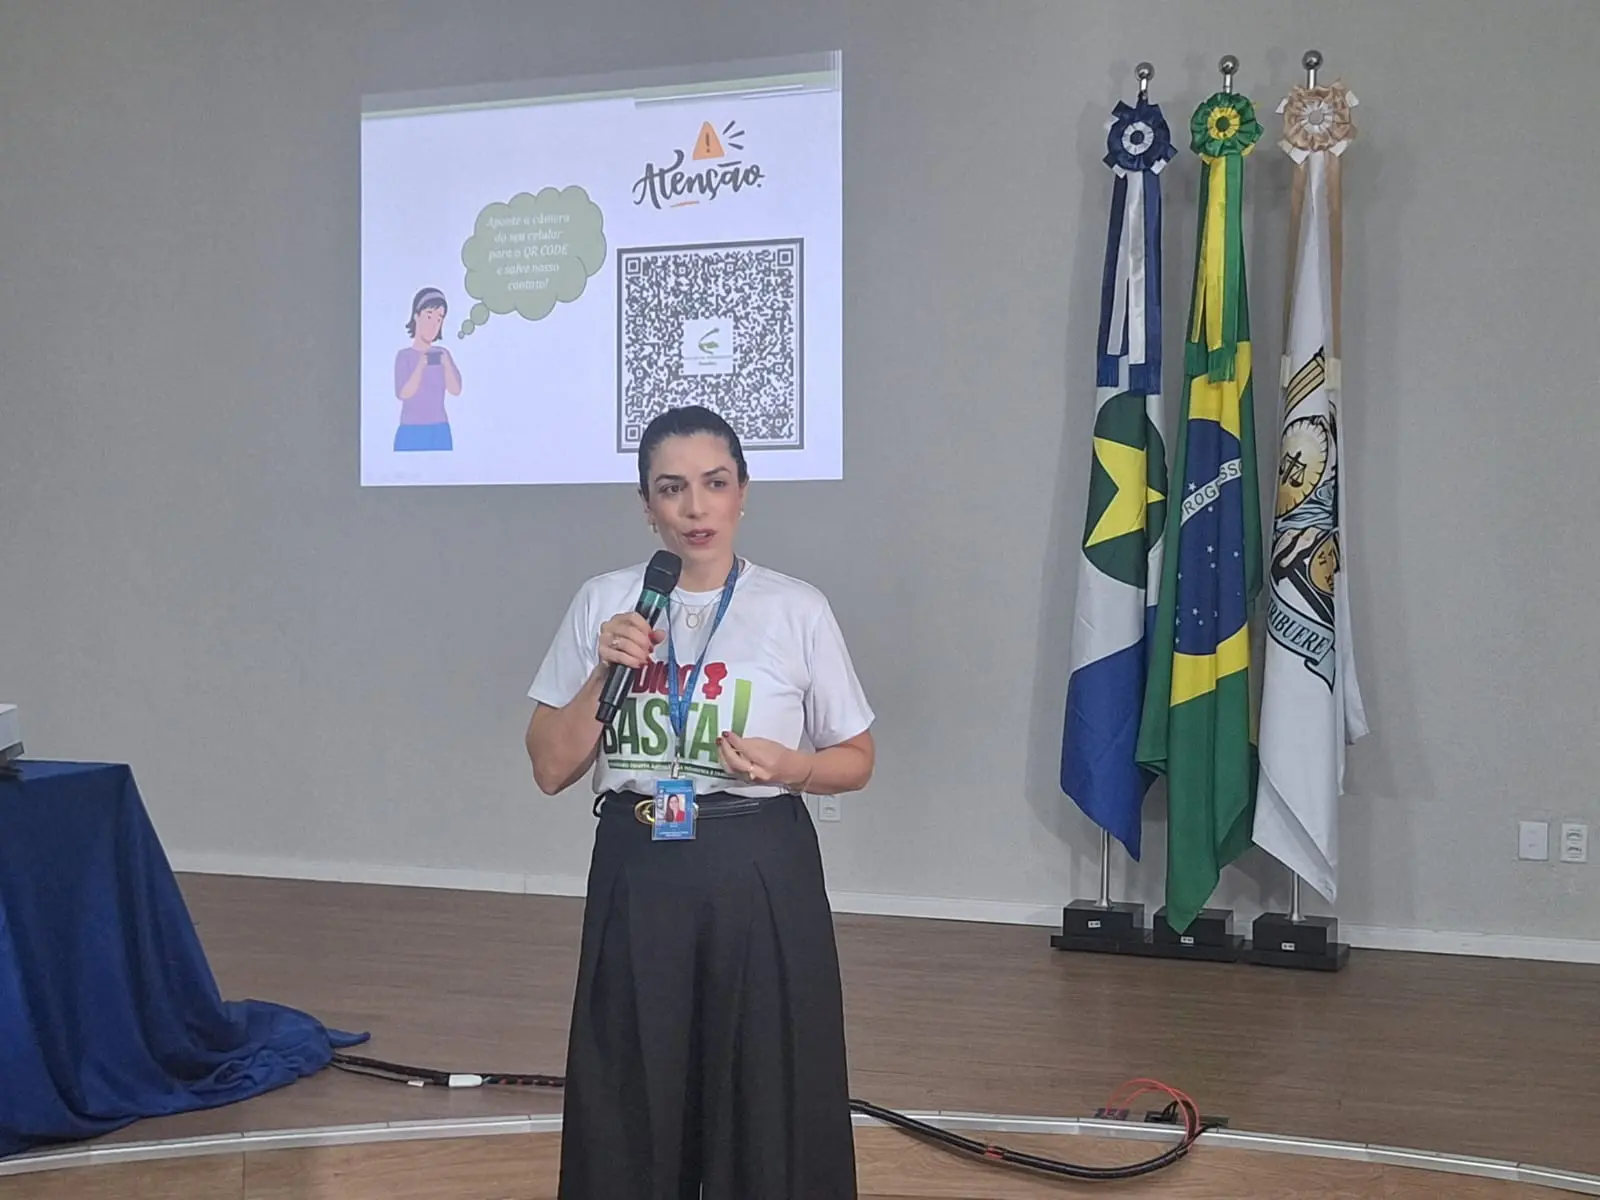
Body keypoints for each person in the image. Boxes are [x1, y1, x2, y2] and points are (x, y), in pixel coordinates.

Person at [524, 404, 875, 1199]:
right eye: (671, 488)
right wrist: (603, 672)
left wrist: (793, 766)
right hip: (638, 861)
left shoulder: (795, 608)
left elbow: (858, 760)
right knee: (631, 1078)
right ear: (645, 505)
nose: (694, 507)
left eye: (714, 484)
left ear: (743, 492)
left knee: (767, 1077)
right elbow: (549, 767)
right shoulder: (607, 603)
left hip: (757, 860)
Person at [393, 287, 462, 452]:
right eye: (429, 316)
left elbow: (456, 390)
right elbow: (403, 393)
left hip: (439, 429)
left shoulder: (443, 354)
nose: (433, 325)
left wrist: (446, 364)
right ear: (416, 316)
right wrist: (420, 366)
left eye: (439, 319)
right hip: (410, 429)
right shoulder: (404, 356)